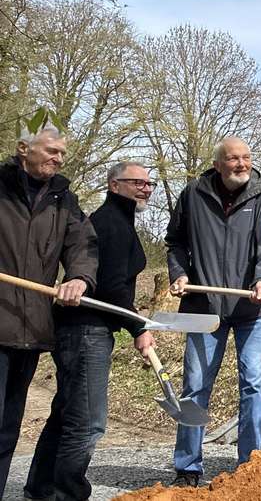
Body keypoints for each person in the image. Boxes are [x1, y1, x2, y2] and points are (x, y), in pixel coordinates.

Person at [24, 162, 156, 501]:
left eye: (149, 184)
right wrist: (138, 326)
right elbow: (111, 288)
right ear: (114, 185)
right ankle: (68, 493)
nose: (146, 189)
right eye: (137, 183)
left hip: (80, 330)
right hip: (85, 330)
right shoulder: (110, 223)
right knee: (87, 422)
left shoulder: (117, 220)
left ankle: (40, 487)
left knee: (67, 411)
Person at [166, 137, 261, 486]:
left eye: (246, 157)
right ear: (217, 164)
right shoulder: (193, 194)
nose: (242, 164)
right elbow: (175, 241)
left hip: (254, 308)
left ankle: (250, 467)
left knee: (254, 386)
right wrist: (179, 273)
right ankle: (188, 467)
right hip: (204, 306)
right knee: (195, 386)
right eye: (233, 159)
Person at [0, 127, 95, 494]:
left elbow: (83, 244)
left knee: (8, 427)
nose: (59, 158)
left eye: (62, 153)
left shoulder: (63, 200)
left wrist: (79, 278)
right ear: (24, 149)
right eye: (52, 150)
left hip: (30, 327)